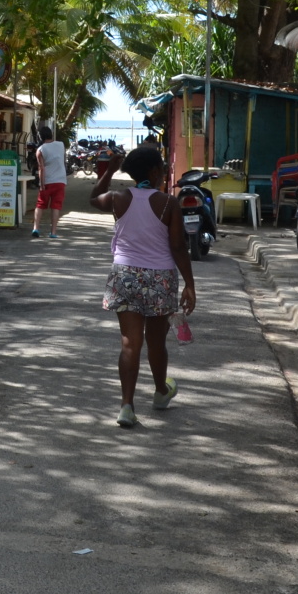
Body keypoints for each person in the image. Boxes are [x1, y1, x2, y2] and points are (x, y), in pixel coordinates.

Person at [90, 146, 197, 427]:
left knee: (130, 343)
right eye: (162, 168)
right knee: (156, 342)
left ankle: (126, 406)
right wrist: (189, 284)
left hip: (124, 275)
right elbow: (177, 246)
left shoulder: (117, 198)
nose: (164, 172)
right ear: (154, 171)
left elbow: (93, 198)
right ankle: (161, 392)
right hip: (160, 278)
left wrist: (109, 172)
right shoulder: (168, 203)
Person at [29, 124, 68, 239]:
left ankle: (36, 228)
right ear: (51, 134)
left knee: (40, 204)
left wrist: (41, 184)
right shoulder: (61, 145)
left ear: (41, 137)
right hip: (60, 180)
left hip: (47, 181)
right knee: (56, 206)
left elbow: (41, 168)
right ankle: (53, 232)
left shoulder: (40, 150)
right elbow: (63, 161)